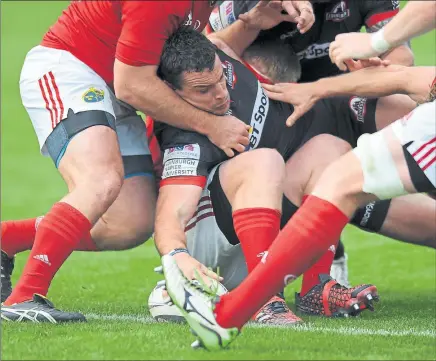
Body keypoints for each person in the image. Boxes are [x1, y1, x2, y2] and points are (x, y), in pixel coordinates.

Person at [0, 0, 315, 323]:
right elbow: (132, 83)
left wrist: (252, 23)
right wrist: (212, 125)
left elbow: (197, 52)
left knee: (129, 223)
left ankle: (6, 239)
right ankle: (25, 296)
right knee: (101, 180)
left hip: (122, 86)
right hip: (74, 69)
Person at [161, 43, 436, 353]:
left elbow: (239, 26)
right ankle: (264, 301)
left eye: (220, 79)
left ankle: (315, 288)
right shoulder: (183, 135)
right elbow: (172, 211)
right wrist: (175, 255)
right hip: (212, 257)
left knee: (331, 150)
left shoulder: (233, 66)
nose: (221, 93)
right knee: (265, 161)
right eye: (203, 91)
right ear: (174, 93)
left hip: (266, 243)